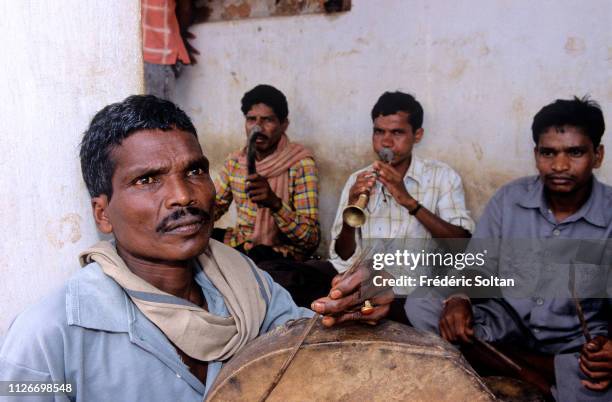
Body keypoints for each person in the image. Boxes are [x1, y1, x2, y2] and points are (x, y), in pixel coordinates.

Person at [0, 95, 392, 401]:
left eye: (194, 171)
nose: (183, 196)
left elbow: (304, 352)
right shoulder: (48, 336)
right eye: (147, 180)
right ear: (103, 214)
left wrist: (354, 311)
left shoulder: (246, 282)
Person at [406, 96, 612, 401]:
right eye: (548, 153)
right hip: (507, 325)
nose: (559, 165)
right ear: (535, 154)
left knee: (597, 385)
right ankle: (530, 374)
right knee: (421, 303)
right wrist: (460, 297)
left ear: (598, 156)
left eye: (575, 152)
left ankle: (501, 365)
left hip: (576, 345)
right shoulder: (510, 199)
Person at [327, 91, 474, 319]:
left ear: (417, 135)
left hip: (413, 297)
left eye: (397, 132)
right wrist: (351, 211)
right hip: (365, 289)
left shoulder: (443, 177)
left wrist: (409, 201)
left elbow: (462, 246)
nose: (386, 142)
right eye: (379, 132)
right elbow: (342, 254)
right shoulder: (358, 179)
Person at [142, 0, 199, 100]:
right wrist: (181, 35)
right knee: (157, 110)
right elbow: (186, 9)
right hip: (161, 57)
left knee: (150, 110)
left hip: (155, 58)